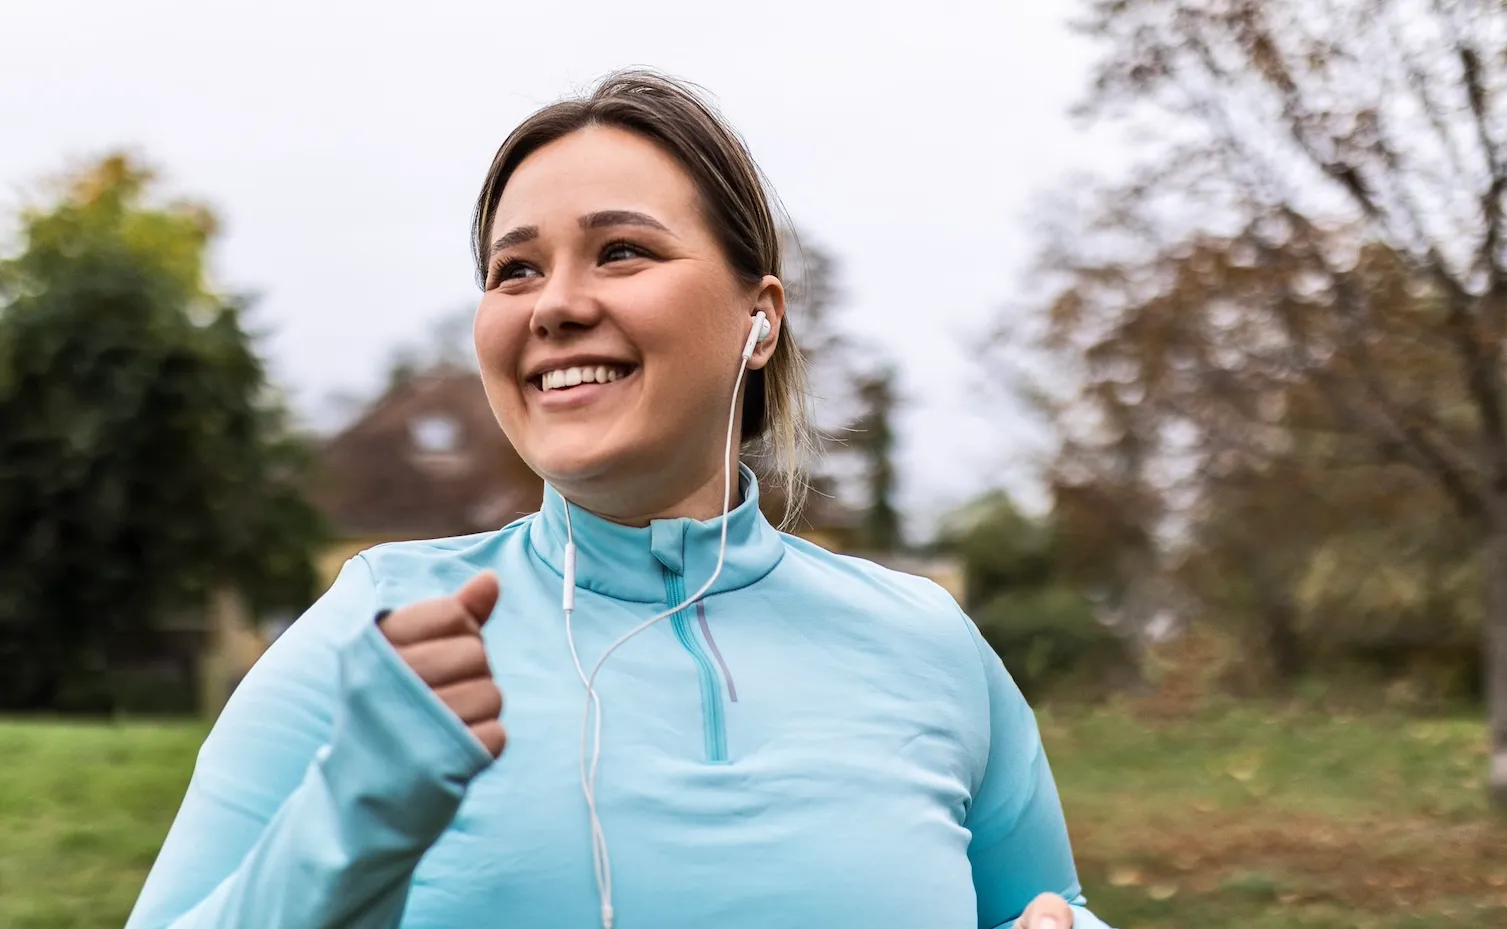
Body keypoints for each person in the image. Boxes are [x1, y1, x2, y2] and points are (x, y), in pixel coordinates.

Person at [124, 70, 1113, 929]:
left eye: (621, 251)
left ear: (757, 318)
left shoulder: (926, 644)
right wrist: (352, 815)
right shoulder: (379, 629)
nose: (554, 303)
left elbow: (1050, 908)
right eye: (515, 269)